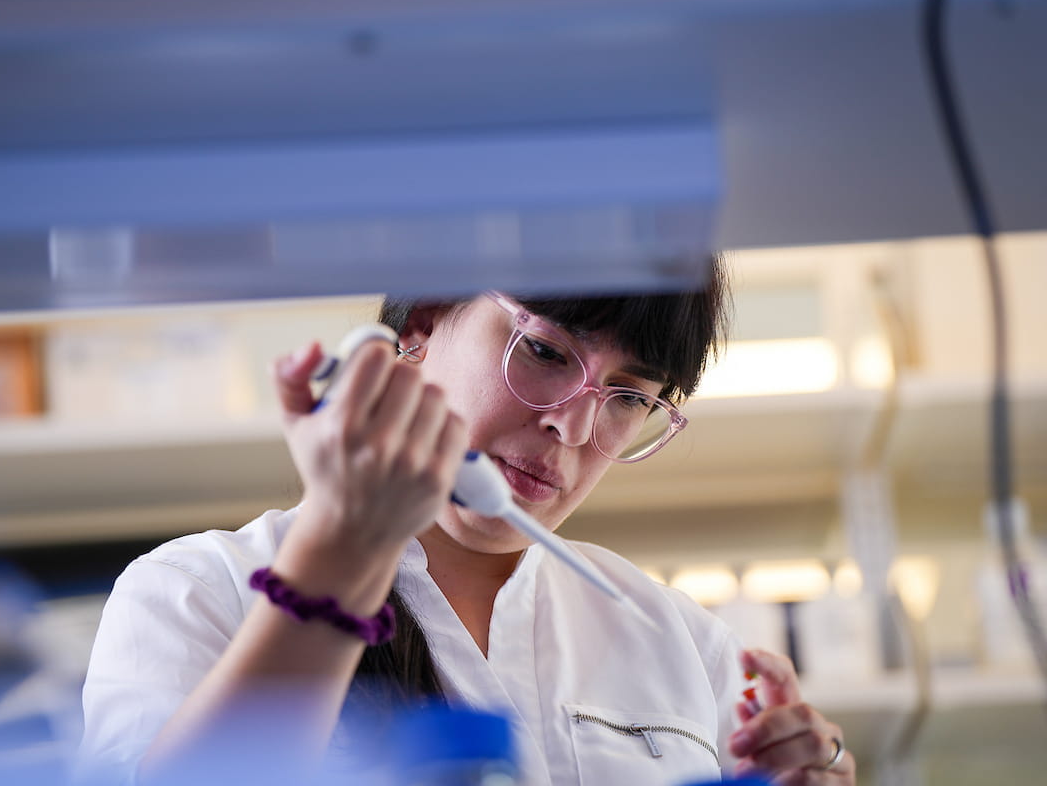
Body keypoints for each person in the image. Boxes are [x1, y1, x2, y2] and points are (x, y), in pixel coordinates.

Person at [78, 261, 856, 785]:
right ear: (423, 320)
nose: (575, 430)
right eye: (547, 352)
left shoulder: (684, 644)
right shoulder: (195, 594)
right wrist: (342, 551)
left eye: (627, 398)